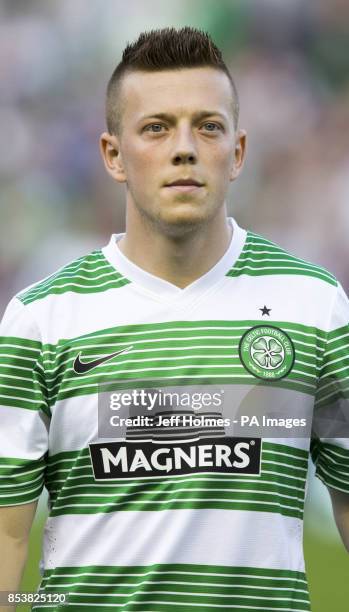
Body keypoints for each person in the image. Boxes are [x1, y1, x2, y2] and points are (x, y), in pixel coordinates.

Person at [0, 26, 348, 612]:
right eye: (156, 127)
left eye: (207, 126)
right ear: (114, 155)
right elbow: (8, 533)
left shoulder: (314, 303)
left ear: (236, 152)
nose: (183, 148)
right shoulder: (41, 316)